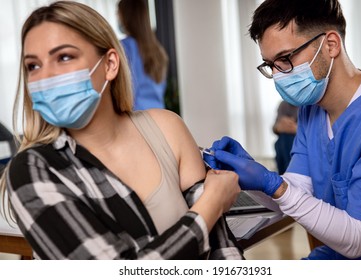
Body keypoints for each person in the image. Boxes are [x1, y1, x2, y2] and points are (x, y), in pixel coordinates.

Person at [0, 1, 243, 260]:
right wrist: (213, 202)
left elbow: (222, 250)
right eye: (33, 66)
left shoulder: (168, 128)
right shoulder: (32, 170)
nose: (46, 76)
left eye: (64, 57)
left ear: (110, 64)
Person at [204, 0, 361, 259]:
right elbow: (297, 190)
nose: (279, 75)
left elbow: (359, 239)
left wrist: (273, 185)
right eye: (271, 65)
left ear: (331, 45)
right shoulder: (311, 109)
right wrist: (255, 177)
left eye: (285, 58)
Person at [117, 0, 168, 110]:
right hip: (159, 115)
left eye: (118, 13)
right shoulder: (158, 50)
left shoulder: (124, 47)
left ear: (126, 16)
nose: (117, 17)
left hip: (137, 118)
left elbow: (125, 90)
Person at [272, 101, 298, 174]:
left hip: (299, 138)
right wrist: (280, 126)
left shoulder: (311, 104)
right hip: (284, 140)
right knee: (283, 139)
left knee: (287, 138)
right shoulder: (284, 104)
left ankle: (286, 174)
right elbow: (275, 128)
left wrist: (297, 129)